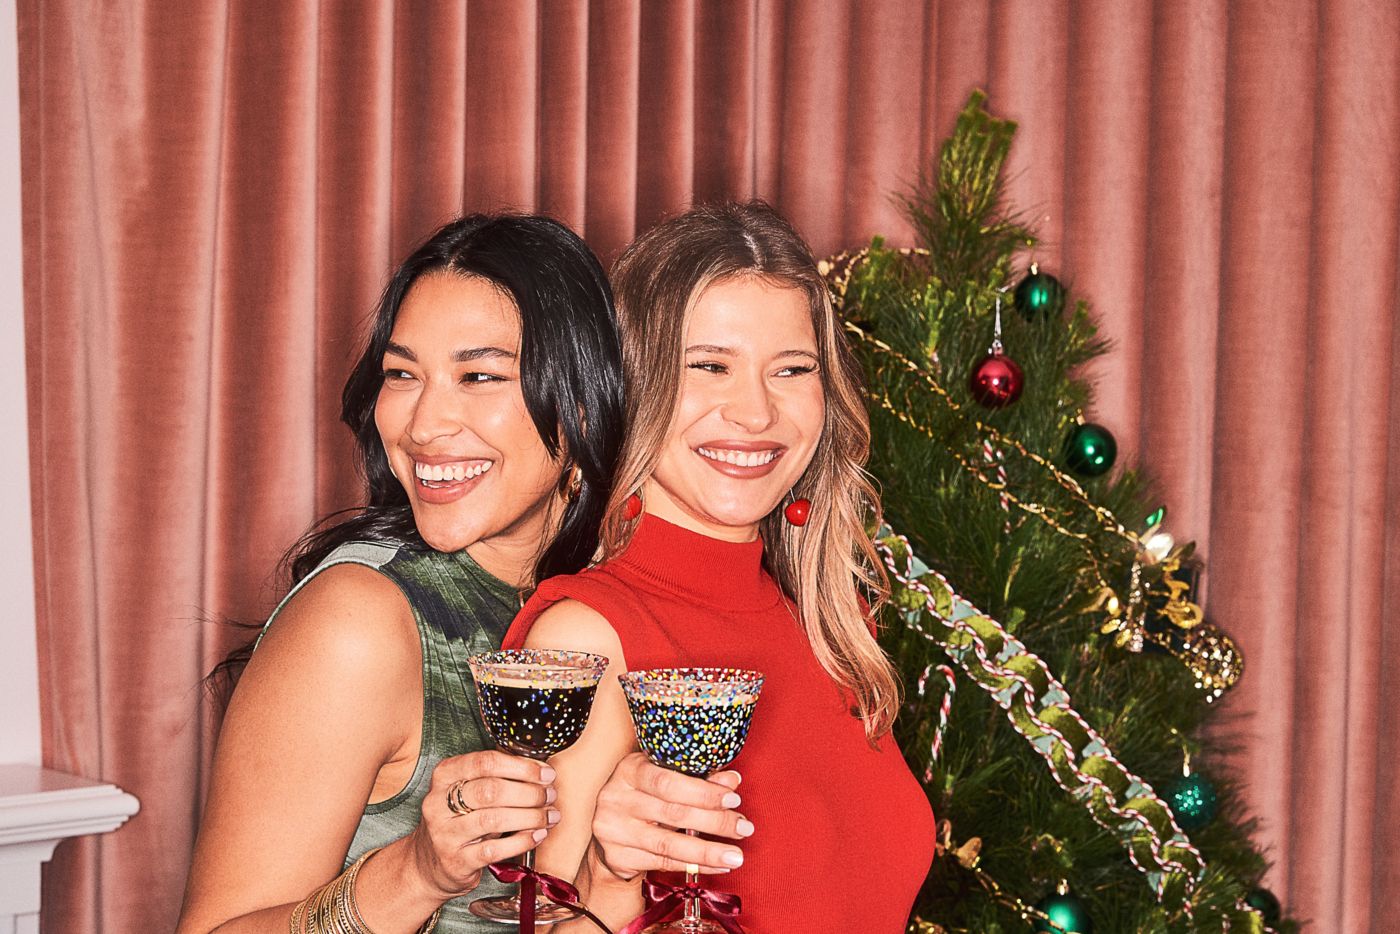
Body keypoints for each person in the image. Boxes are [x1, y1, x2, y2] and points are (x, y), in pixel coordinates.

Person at [176, 214, 626, 933]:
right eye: (402, 374)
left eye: (478, 376)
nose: (422, 425)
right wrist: (414, 874)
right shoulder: (360, 619)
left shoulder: (608, 598)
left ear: (581, 405)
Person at [503, 201, 936, 932]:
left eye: (791, 369)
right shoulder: (588, 639)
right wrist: (614, 875)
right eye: (709, 366)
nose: (756, 413)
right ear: (634, 386)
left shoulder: (830, 626)